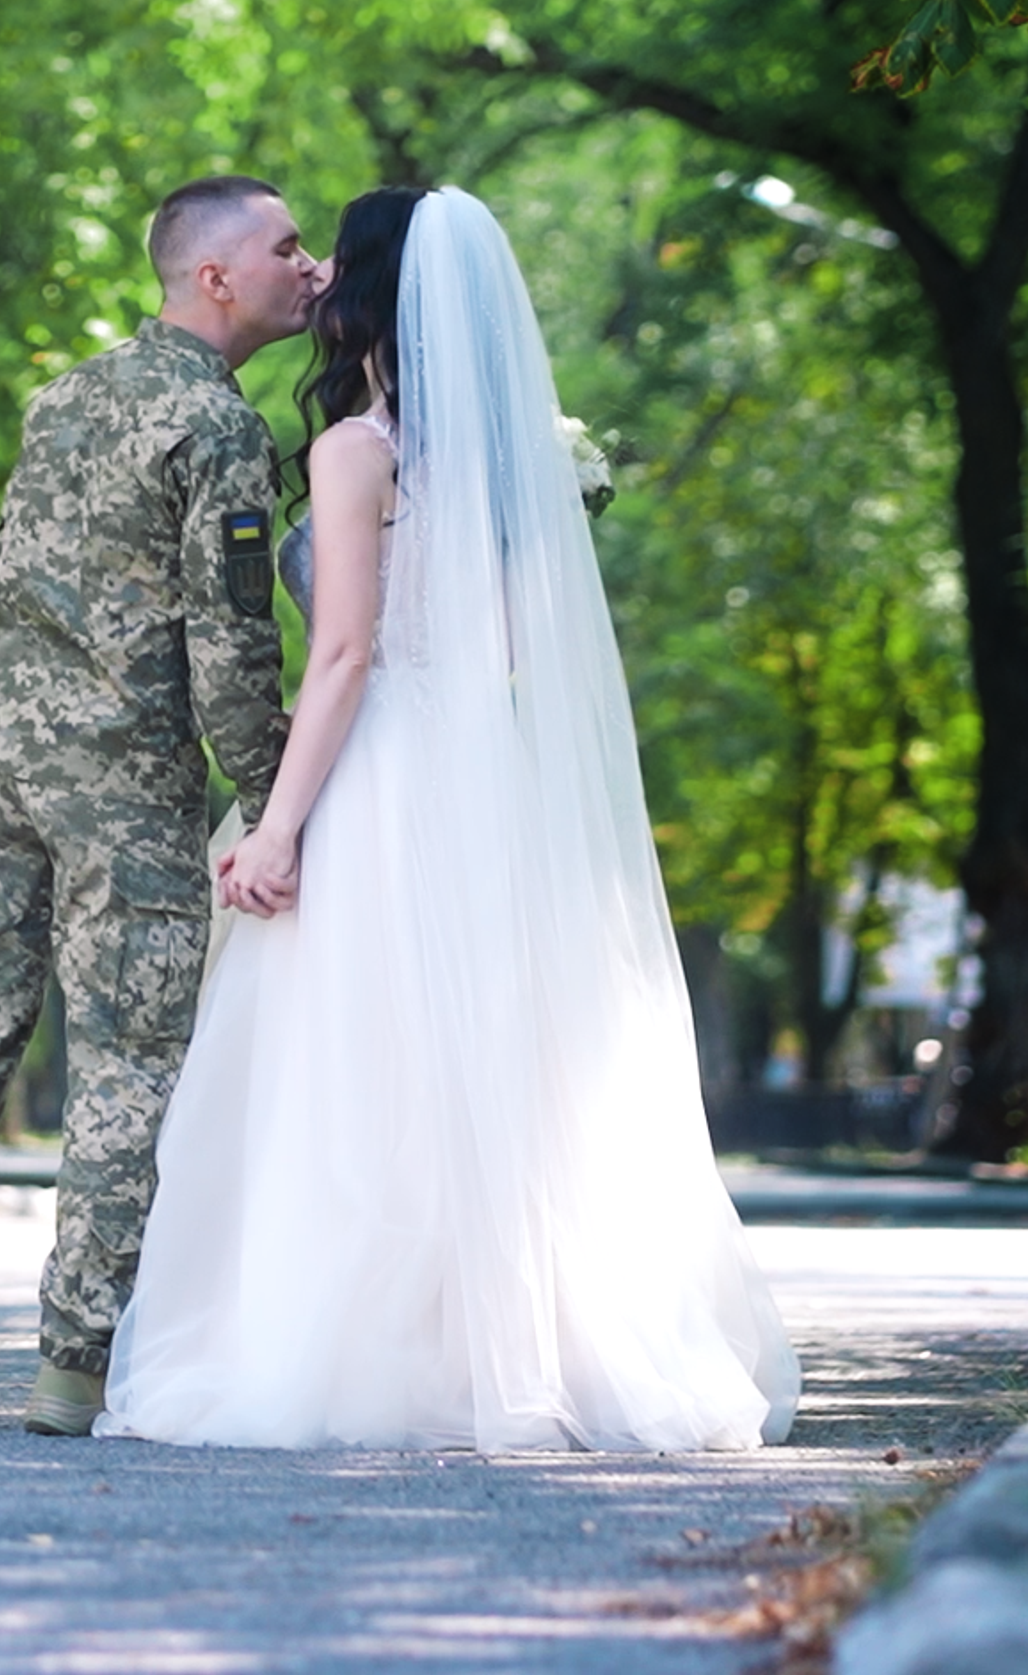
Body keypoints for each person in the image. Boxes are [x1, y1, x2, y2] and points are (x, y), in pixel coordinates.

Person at [98, 185, 801, 1451]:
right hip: (485, 776)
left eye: (330, 261)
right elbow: (513, 647)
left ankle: (373, 1352)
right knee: (477, 1069)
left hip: (382, 771)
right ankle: (501, 1348)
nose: (309, 277)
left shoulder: (355, 453)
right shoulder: (513, 460)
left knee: (358, 1070)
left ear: (371, 292)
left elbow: (347, 655)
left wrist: (273, 825)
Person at [0, 176, 315, 1435]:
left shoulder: (63, 398)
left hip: (0, 776)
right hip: (127, 794)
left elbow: (11, 587)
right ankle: (73, 1363)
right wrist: (283, 804)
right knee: (125, 1067)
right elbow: (230, 651)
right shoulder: (215, 429)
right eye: (286, 247)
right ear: (215, 276)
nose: (309, 266)